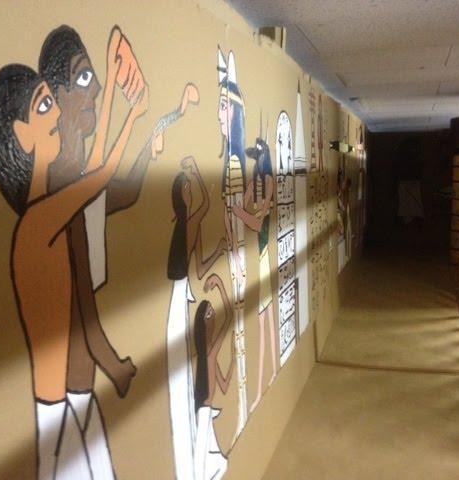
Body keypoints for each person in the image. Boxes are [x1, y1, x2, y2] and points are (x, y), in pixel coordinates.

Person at [0, 39, 147, 479]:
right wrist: (131, 112)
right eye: (43, 107)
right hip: (54, 412)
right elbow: (102, 174)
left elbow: (91, 172)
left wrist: (119, 96)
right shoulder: (38, 222)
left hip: (68, 402)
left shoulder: (48, 211)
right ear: (22, 134)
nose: (56, 113)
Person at [166, 156, 225, 479]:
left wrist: (219, 253)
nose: (190, 192)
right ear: (182, 196)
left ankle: (203, 449)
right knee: (186, 371)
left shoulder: (188, 227)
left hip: (183, 300)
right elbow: (206, 206)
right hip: (177, 306)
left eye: (190, 187)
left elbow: (200, 268)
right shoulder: (184, 225)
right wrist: (199, 172)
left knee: (193, 367)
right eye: (187, 188)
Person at [217, 47, 249, 439]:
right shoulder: (229, 160)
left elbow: (239, 214)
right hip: (232, 252)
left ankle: (241, 407)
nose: (219, 115)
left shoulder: (236, 164)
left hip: (238, 255)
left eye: (224, 107)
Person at [233, 138, 277, 412]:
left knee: (263, 320)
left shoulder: (269, 183)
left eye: (257, 158)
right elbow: (247, 201)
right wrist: (246, 197)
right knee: (267, 317)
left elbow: (257, 222)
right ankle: (270, 374)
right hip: (259, 254)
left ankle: (260, 388)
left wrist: (241, 212)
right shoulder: (259, 182)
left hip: (262, 255)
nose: (255, 163)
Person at [193, 274, 235, 480]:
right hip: (203, 414)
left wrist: (234, 360)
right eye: (209, 313)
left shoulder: (209, 357)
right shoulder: (209, 353)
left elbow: (224, 386)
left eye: (212, 310)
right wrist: (219, 284)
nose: (213, 315)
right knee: (201, 466)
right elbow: (229, 317)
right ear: (203, 323)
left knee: (218, 463)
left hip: (207, 413)